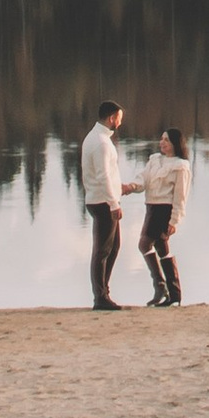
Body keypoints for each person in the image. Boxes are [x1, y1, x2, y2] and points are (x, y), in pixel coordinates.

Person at [80, 100, 129, 309]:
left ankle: (103, 292)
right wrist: (113, 204)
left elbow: (105, 175)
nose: (120, 122)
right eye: (119, 118)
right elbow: (102, 176)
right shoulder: (101, 143)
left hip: (101, 198)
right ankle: (100, 297)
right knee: (102, 250)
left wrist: (119, 188)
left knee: (113, 247)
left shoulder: (96, 138)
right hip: (102, 202)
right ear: (111, 118)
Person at [138, 125, 190, 305]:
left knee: (144, 244)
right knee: (161, 248)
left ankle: (161, 286)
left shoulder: (180, 166)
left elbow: (181, 195)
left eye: (166, 140)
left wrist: (175, 220)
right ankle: (174, 296)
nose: (162, 143)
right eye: (161, 139)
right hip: (151, 207)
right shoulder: (155, 160)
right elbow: (143, 178)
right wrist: (129, 187)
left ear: (175, 143)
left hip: (164, 210)